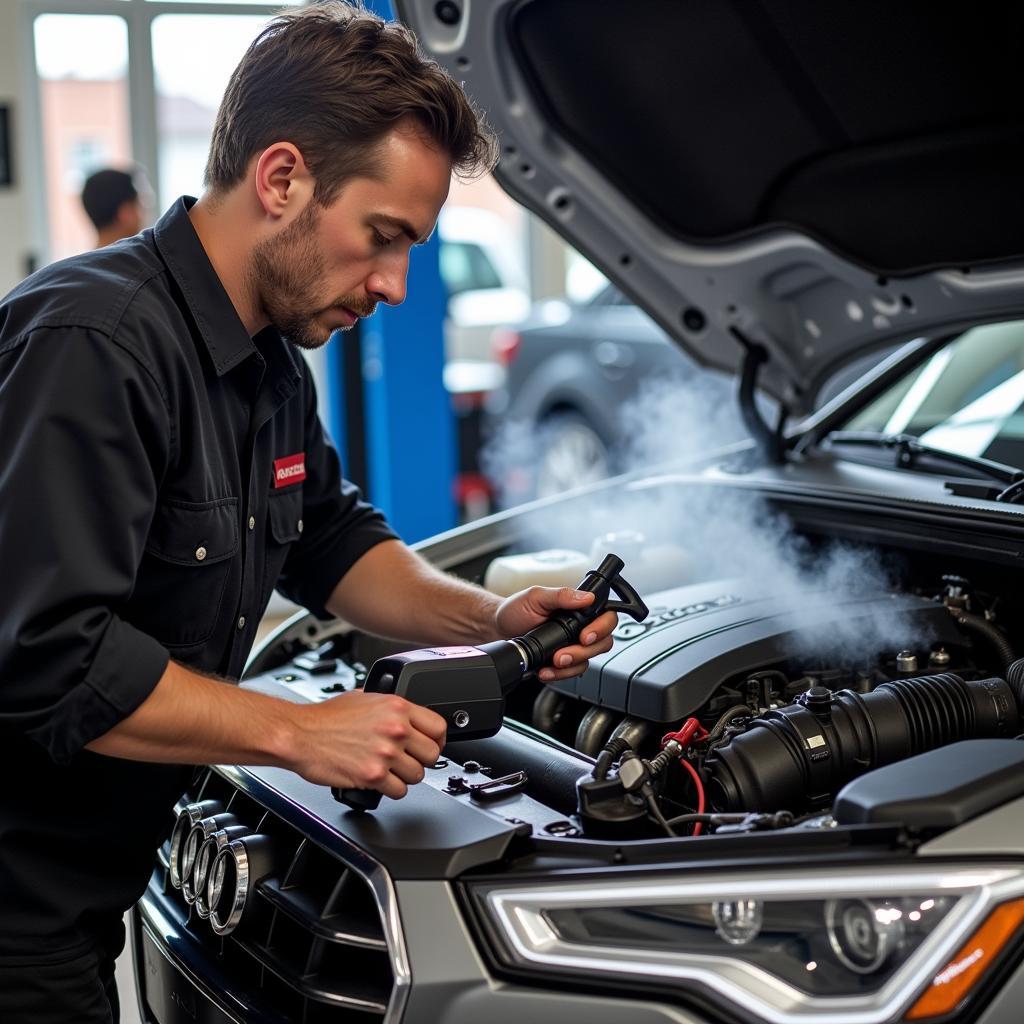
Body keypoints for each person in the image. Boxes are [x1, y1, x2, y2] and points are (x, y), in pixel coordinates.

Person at [0, 5, 618, 1022]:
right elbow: (51, 659)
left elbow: (331, 542)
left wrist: (489, 617)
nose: (394, 284)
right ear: (282, 179)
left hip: (91, 885)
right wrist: (299, 733)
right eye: (383, 238)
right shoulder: (96, 343)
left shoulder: (269, 363)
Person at [80, 167, 149, 248]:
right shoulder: (140, 259)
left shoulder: (87, 259)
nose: (144, 213)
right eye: (140, 204)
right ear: (126, 213)